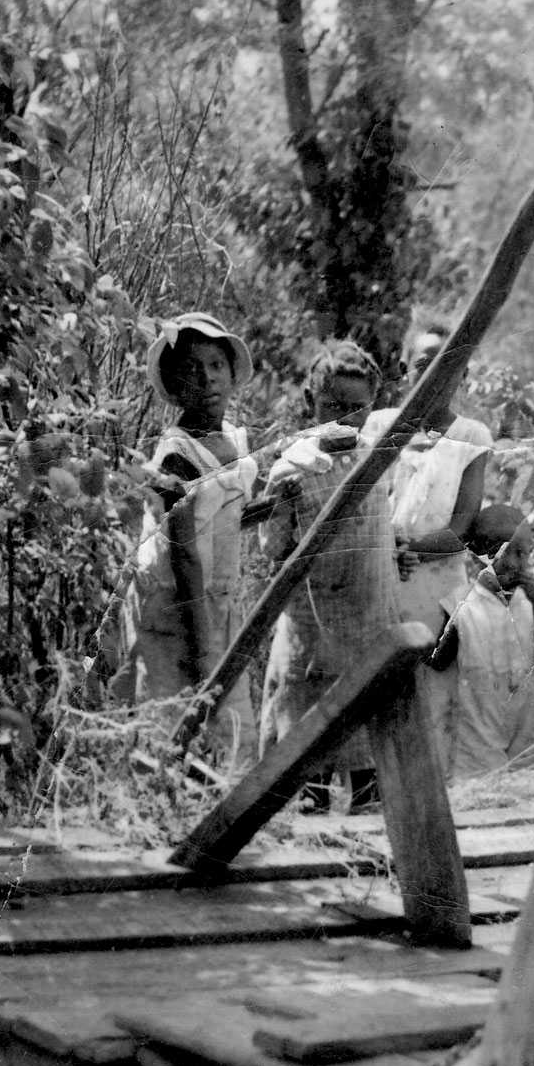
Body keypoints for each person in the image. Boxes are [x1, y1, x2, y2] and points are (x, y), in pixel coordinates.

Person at [258, 340, 398, 811]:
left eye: (356, 408)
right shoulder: (291, 467)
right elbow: (273, 550)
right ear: (310, 403)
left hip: (365, 618)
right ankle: (308, 820)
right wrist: (284, 504)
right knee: (307, 754)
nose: (344, 417)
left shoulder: (375, 459)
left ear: (371, 407)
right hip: (311, 627)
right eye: (332, 405)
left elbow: (380, 531)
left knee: (364, 755)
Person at [121, 312, 260, 761]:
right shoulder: (177, 456)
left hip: (216, 599)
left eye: (216, 365)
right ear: (176, 386)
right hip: (179, 604)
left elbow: (224, 517)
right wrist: (204, 647)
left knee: (225, 724)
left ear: (232, 372)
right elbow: (184, 554)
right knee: (177, 715)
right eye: (192, 370)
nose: (207, 379)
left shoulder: (233, 440)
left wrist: (274, 505)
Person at [360, 310, 494, 742]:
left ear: (464, 374)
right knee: (378, 689)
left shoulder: (472, 435)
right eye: (425, 364)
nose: (438, 376)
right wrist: (385, 551)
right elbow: (363, 504)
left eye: (450, 365)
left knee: (433, 696)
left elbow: (461, 525)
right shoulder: (381, 425)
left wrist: (410, 550)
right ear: (403, 371)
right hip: (380, 578)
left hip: (436, 584)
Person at [427, 503, 534, 779]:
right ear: (479, 559)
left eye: (521, 553)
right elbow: (438, 661)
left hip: (524, 735)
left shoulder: (529, 602)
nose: (513, 563)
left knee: (526, 789)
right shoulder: (461, 604)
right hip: (477, 739)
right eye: (501, 554)